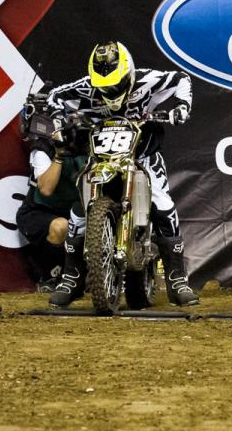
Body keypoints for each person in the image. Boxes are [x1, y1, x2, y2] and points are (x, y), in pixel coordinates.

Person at [46, 42, 198, 307]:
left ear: (128, 74)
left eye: (116, 85)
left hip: (142, 154)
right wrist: (59, 120)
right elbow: (54, 96)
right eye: (104, 87)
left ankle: (177, 279)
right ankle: (72, 277)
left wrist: (182, 107)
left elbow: (181, 78)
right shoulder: (86, 87)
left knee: (163, 206)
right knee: (79, 211)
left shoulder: (147, 80)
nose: (111, 91)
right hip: (102, 156)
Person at [16, 89, 85, 291]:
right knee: (62, 227)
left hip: (75, 211)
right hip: (40, 212)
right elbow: (46, 189)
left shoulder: (87, 146)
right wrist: (60, 155)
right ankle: (49, 275)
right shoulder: (43, 148)